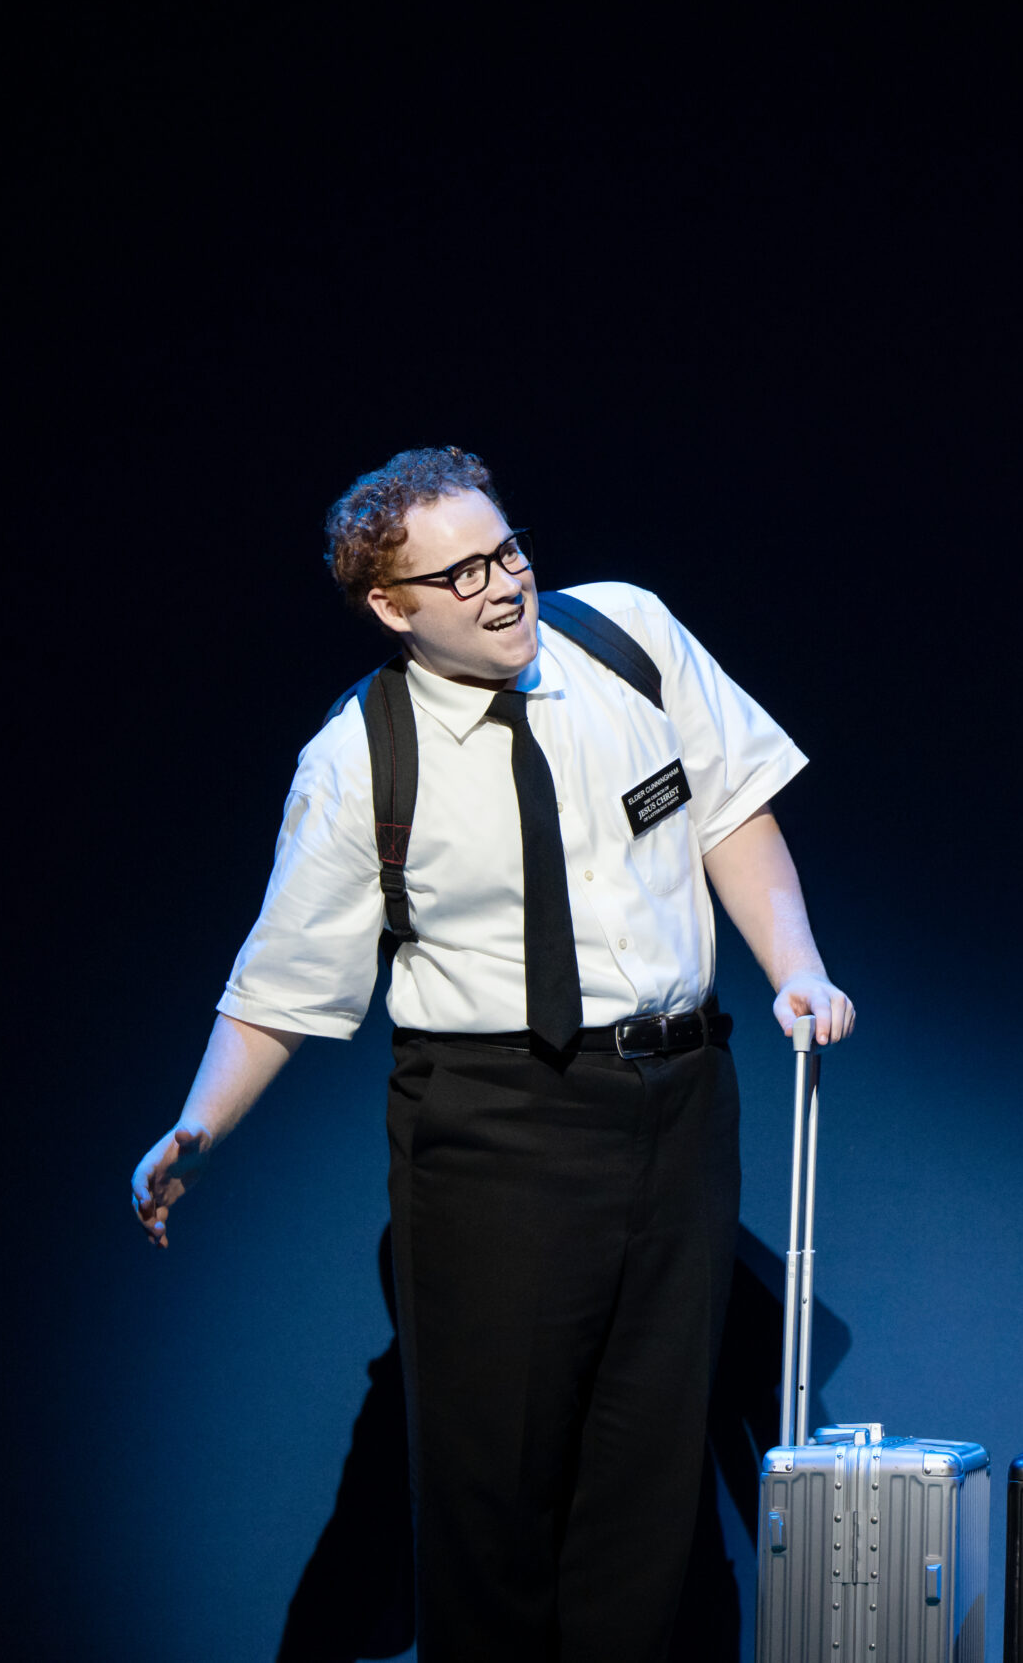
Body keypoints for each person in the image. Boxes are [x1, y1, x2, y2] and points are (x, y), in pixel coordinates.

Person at [128, 446, 855, 1661]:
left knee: (650, 1486)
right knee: (495, 1499)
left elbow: (733, 812)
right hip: (495, 1125)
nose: (503, 586)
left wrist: (796, 967)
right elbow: (283, 986)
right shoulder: (359, 760)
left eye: (507, 550)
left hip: (681, 1097)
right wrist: (197, 1126)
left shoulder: (627, 636)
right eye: (460, 575)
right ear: (391, 607)